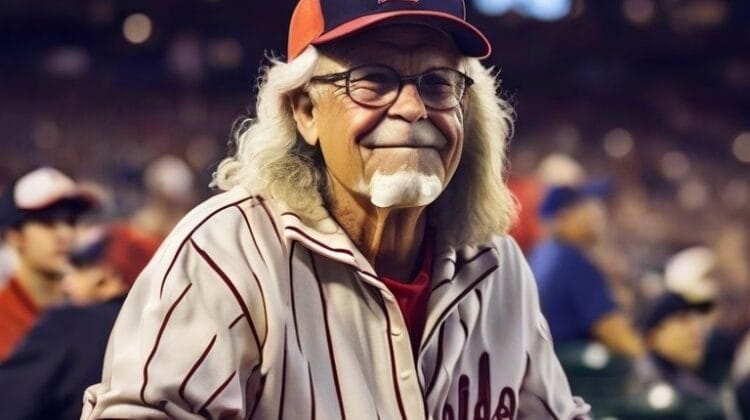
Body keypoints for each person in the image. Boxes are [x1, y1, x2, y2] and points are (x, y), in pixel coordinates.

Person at [82, 1, 590, 418]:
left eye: (437, 84)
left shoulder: (499, 266)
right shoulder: (225, 253)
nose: (413, 109)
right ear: (305, 112)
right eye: (372, 80)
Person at [0, 223, 160, 420]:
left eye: (81, 268)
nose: (67, 281)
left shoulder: (74, 322)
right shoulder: (163, 332)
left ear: (110, 276)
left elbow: (8, 402)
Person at [529, 183, 645, 358]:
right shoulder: (571, 261)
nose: (596, 214)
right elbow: (613, 330)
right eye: (585, 207)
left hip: (543, 364)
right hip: (571, 373)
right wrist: (647, 361)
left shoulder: (542, 253)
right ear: (564, 215)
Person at [0, 167, 95, 360]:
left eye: (71, 221)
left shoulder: (90, 311)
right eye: (47, 222)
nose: (65, 235)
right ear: (15, 237)